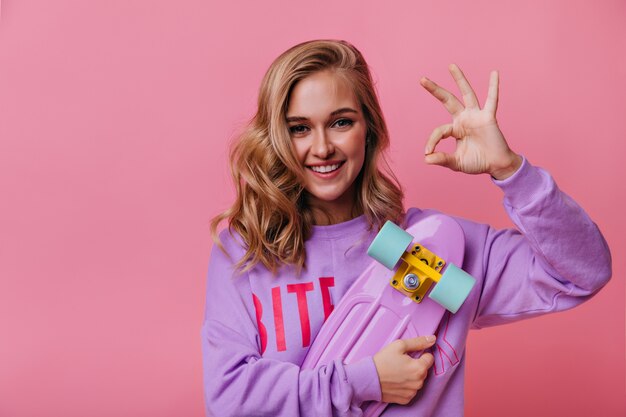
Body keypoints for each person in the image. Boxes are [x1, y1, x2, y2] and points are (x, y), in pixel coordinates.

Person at [201, 39, 611, 416]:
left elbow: (581, 273)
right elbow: (230, 398)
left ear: (370, 129)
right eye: (299, 128)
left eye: (341, 122)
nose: (322, 147)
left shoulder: (424, 248)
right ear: (276, 137)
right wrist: (365, 381)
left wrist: (511, 171)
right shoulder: (250, 252)